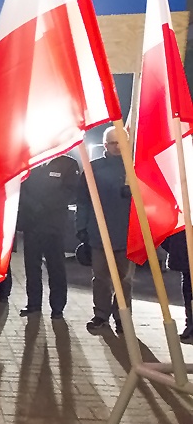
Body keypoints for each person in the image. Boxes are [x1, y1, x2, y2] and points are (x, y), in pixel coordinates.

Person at [76, 127, 134, 335]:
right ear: (105, 145)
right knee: (100, 278)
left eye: (121, 142)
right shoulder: (93, 169)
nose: (117, 147)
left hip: (127, 236)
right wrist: (81, 228)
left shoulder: (135, 168)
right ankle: (101, 314)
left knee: (124, 279)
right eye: (112, 143)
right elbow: (83, 201)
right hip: (98, 234)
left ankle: (122, 316)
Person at [16, 155, 80, 319]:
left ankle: (57, 308)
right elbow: (21, 186)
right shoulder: (31, 160)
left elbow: (71, 192)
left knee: (56, 267)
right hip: (32, 223)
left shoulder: (68, 163)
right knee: (32, 267)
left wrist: (45, 206)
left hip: (54, 225)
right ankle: (33, 304)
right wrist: (33, 205)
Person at [162, 233, 193, 344]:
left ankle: (190, 326)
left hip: (184, 251)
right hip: (185, 252)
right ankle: (190, 326)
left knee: (188, 289)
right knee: (188, 289)